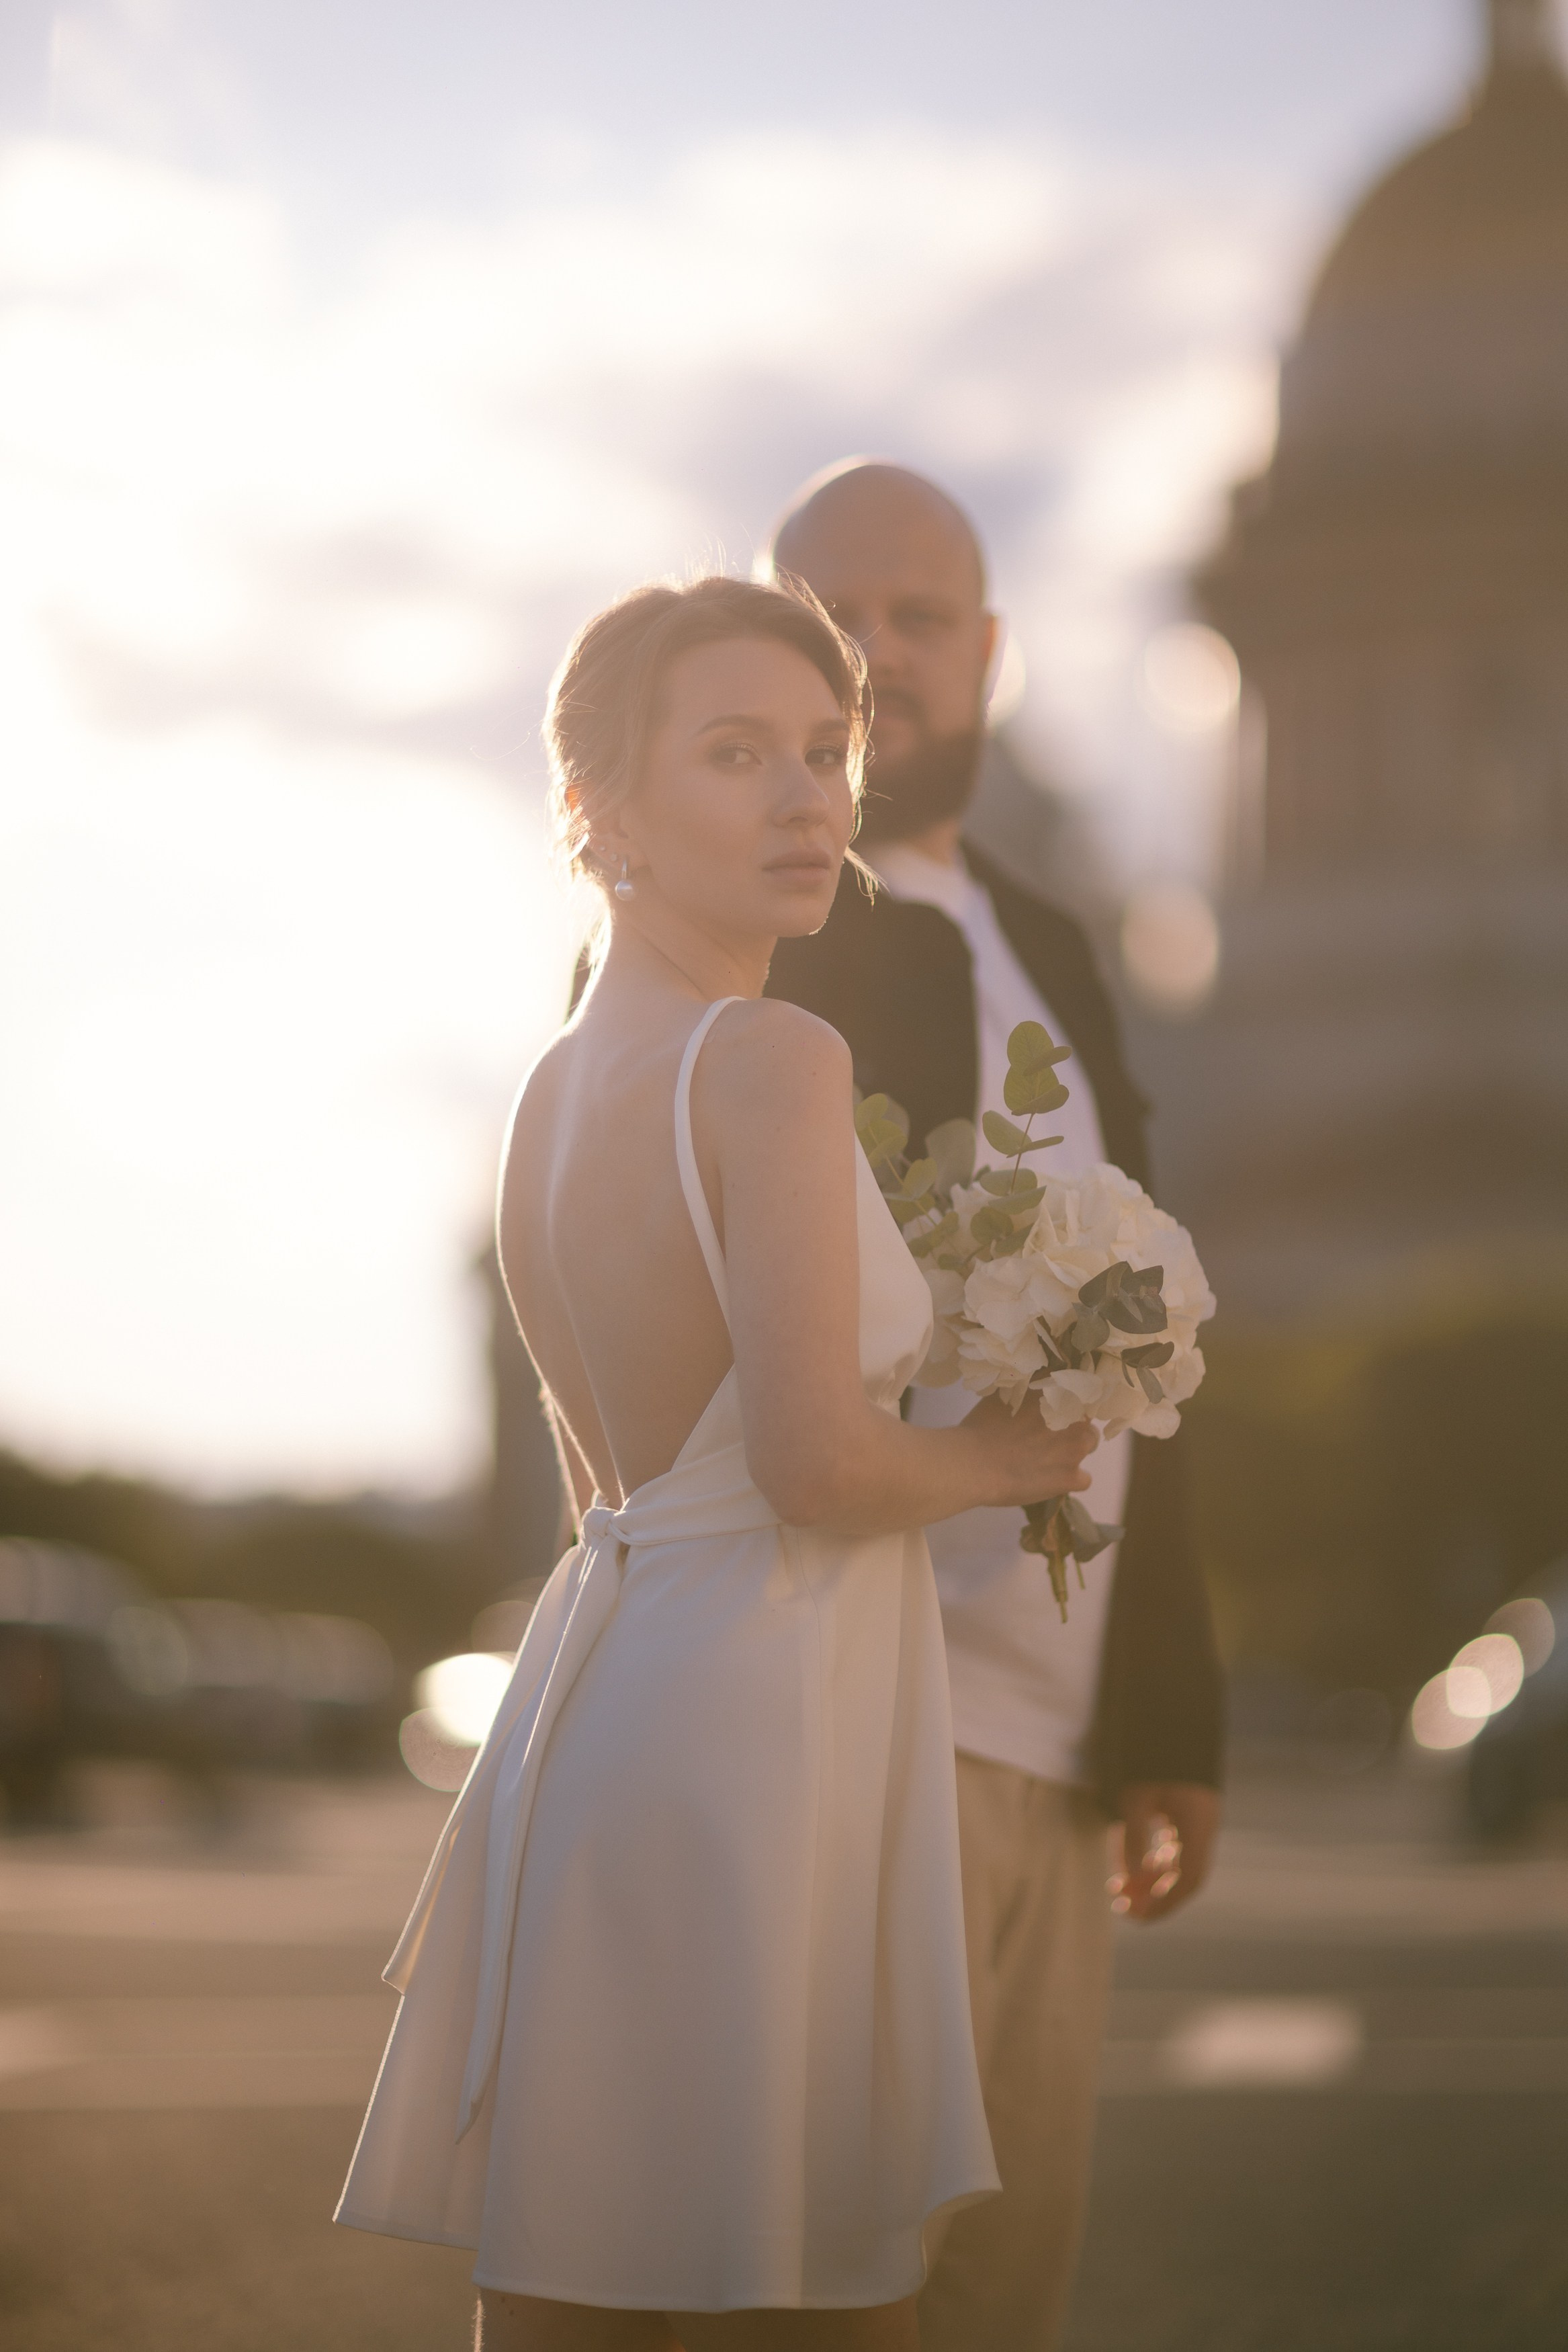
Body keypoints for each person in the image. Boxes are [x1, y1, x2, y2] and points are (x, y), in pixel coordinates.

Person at [335, 573, 1100, 2352]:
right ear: (598, 808)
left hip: (587, 1723)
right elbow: (817, 1464)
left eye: (826, 752)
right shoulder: (771, 1056)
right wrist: (1010, 1453)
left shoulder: (548, 1090)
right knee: (818, 2303)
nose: (806, 797)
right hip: (759, 1730)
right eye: (738, 752)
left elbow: (606, 1463)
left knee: (567, 2287)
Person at [763, 462, 1225, 2352]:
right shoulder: (760, 922)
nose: (880, 659)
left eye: (920, 618)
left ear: (992, 652)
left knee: (995, 2307)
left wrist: (1168, 1713)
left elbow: (1162, 1331)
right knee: (830, 2304)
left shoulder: (1068, 937)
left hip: (1053, 1754)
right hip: (855, 1714)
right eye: (833, 619)